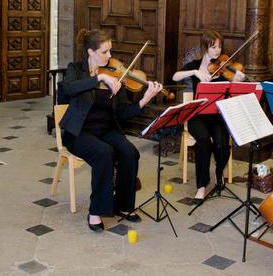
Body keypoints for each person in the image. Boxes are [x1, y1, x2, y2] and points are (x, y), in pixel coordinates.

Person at [60, 29, 163, 232]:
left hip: (106, 130)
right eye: (105, 52)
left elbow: (123, 112)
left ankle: (123, 206)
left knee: (129, 152)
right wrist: (99, 79)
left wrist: (145, 99)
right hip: (78, 132)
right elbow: (68, 88)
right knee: (104, 153)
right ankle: (96, 211)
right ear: (91, 52)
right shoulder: (76, 70)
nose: (110, 56)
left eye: (110, 51)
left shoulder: (116, 75)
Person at [172, 30, 245, 201]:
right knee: (203, 142)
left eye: (219, 47)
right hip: (197, 115)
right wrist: (194, 73)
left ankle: (219, 173)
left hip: (217, 115)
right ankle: (201, 185)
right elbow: (175, 77)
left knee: (222, 145)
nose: (217, 51)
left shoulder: (223, 68)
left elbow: (234, 87)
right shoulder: (195, 65)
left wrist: (238, 79)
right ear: (205, 47)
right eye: (213, 47)